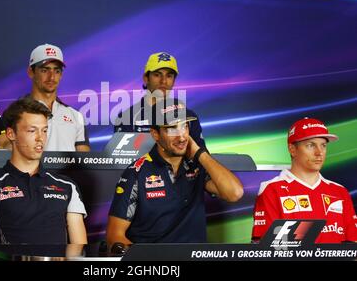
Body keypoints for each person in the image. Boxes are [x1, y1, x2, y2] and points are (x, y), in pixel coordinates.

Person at [106, 102, 243, 248]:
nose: (182, 137)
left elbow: (235, 193)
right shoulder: (136, 173)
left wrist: (200, 153)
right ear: (155, 134)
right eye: (171, 129)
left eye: (184, 126)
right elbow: (114, 236)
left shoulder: (197, 166)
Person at [0, 98, 87, 257]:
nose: (40, 138)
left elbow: (78, 252)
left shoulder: (67, 186)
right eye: (32, 130)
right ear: (11, 134)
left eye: (44, 130)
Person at [252, 117, 357, 243]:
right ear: (292, 150)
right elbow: (266, 249)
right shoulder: (272, 189)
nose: (319, 152)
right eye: (311, 145)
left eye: (323, 145)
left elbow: (353, 245)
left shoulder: (340, 191)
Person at [114, 52, 206, 149]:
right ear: (146, 78)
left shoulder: (189, 117)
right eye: (157, 75)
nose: (163, 81)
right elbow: (121, 160)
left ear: (174, 80)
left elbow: (202, 158)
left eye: (169, 76)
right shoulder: (126, 118)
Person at [27, 43, 90, 152]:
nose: (51, 77)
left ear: (61, 75)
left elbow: (84, 161)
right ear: (31, 72)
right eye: (44, 70)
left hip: (70, 170)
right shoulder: (17, 113)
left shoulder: (75, 116)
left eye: (57, 71)